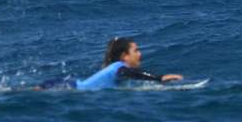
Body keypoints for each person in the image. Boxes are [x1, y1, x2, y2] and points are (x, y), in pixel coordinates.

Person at [39, 37, 183, 90]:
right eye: (136, 51)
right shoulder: (119, 68)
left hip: (68, 84)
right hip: (65, 87)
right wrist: (159, 78)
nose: (140, 54)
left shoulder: (114, 68)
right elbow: (129, 73)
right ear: (124, 56)